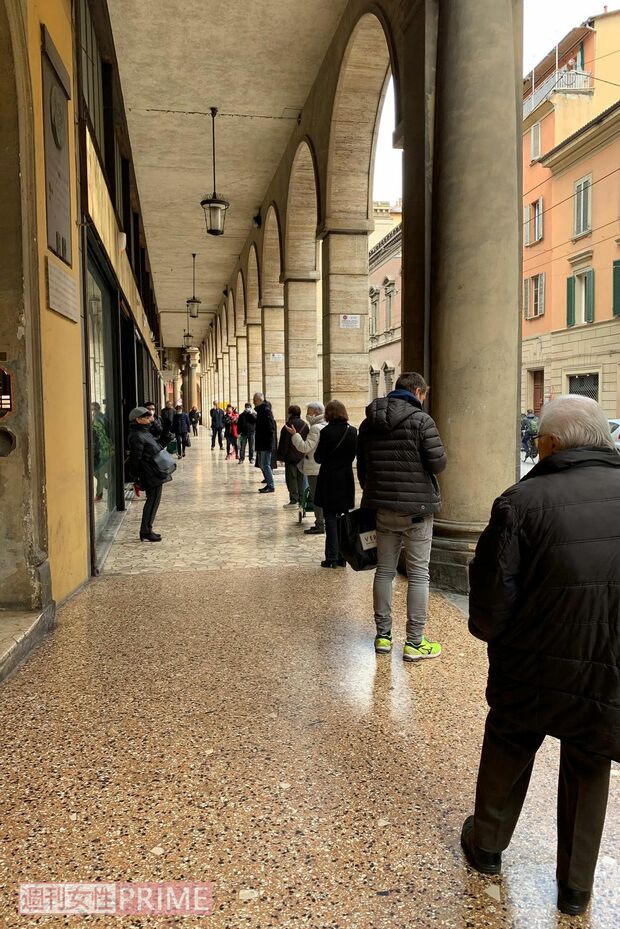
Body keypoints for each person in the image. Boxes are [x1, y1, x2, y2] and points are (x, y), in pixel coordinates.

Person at [462, 395, 620, 917]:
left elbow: (491, 599)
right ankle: (575, 887)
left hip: (531, 661)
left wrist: (492, 634)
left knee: (509, 741)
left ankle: (486, 847)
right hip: (607, 666)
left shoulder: (520, 501)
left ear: (551, 444)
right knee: (590, 759)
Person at [357, 371, 447, 661]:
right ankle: (415, 641)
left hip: (382, 508)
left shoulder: (368, 423)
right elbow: (437, 463)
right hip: (417, 510)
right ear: (418, 392)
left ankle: (383, 637)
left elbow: (362, 468)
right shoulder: (422, 421)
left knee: (384, 571)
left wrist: (376, 492)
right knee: (419, 574)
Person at [314, 400, 357, 567]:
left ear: (329, 414)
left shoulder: (326, 432)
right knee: (342, 516)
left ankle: (331, 557)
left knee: (330, 517)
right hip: (345, 478)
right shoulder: (352, 431)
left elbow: (318, 457)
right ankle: (342, 557)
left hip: (329, 478)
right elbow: (353, 455)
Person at [127, 406, 173, 541]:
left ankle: (147, 529)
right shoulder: (136, 435)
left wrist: (165, 437)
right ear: (138, 419)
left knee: (154, 501)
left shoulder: (144, 432)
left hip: (154, 470)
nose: (149, 419)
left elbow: (155, 447)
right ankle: (145, 531)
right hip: (148, 472)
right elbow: (136, 458)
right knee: (152, 501)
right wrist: (136, 476)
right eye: (146, 417)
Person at [286, 401, 327, 535]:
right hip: (324, 467)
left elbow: (305, 447)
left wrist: (295, 435)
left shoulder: (315, 428)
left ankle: (320, 524)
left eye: (309, 412)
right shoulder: (325, 425)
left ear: (315, 413)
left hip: (314, 468)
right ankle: (325, 522)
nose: (307, 414)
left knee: (317, 497)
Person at [277, 405, 308, 508]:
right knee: (301, 478)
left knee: (291, 478)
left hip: (290, 457)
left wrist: (281, 457)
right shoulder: (305, 424)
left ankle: (294, 500)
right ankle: (301, 499)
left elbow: (284, 442)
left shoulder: (288, 425)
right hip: (302, 455)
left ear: (290, 413)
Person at [253, 392, 277, 493]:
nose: (253, 403)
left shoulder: (265, 411)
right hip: (262, 442)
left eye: (254, 401)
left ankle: (271, 485)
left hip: (266, 443)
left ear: (259, 400)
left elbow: (271, 428)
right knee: (263, 464)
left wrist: (269, 443)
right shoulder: (262, 411)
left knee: (265, 464)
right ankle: (269, 483)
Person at [91, 401, 112, 502]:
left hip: (101, 450)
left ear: (97, 409)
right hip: (99, 449)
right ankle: (107, 484)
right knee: (97, 473)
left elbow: (103, 435)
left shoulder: (100, 419)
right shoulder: (97, 419)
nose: (92, 412)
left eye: (93, 409)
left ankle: (99, 494)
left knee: (99, 473)